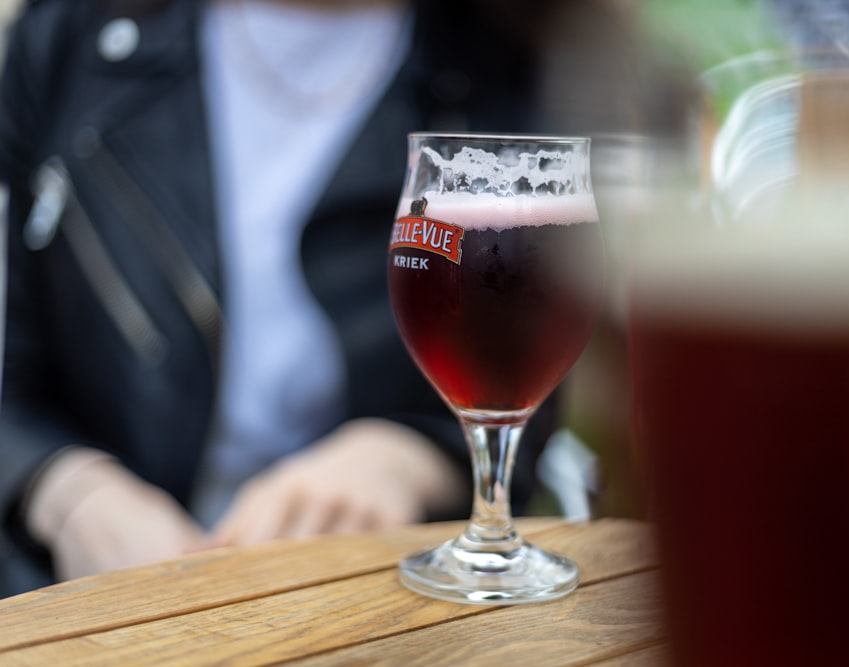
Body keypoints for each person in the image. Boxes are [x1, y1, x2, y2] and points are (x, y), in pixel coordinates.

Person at [0, 0, 634, 597]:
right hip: (77, 591)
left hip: (379, 593)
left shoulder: (517, 50)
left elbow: (537, 339)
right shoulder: (68, 38)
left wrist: (402, 458)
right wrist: (67, 491)